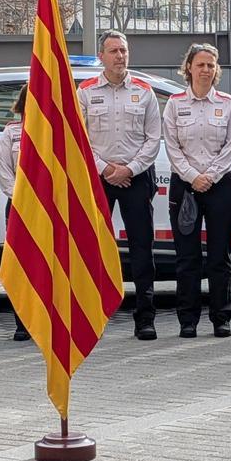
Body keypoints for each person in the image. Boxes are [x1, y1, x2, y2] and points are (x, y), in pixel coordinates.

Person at [77, 30, 162, 340]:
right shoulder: (85, 91)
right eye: (113, 51)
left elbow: (154, 138)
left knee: (142, 247)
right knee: (93, 247)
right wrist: (106, 169)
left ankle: (145, 318)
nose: (120, 56)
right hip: (97, 178)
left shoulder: (144, 91)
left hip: (136, 178)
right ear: (101, 56)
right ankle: (91, 317)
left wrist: (129, 169)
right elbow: (79, 138)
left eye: (123, 50)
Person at [162, 44, 231, 339]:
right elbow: (172, 146)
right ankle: (188, 320)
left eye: (211, 65)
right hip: (185, 186)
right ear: (189, 68)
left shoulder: (227, 103)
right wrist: (193, 177)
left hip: (220, 186)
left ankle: (221, 319)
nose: (206, 70)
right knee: (188, 257)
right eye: (200, 64)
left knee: (220, 257)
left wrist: (211, 176)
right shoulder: (175, 104)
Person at [0, 84, 31, 342]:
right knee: (22, 264)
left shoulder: (58, 133)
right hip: (19, 206)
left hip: (52, 209)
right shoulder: (11, 132)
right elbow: (5, 172)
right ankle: (23, 322)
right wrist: (22, 199)